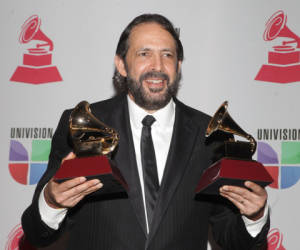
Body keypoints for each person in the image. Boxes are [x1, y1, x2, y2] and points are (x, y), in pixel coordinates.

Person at [22, 14, 270, 250]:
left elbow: (230, 237)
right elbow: (37, 234)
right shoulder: (81, 126)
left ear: (178, 65)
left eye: (167, 55)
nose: (157, 66)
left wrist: (254, 215)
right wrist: (52, 202)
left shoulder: (211, 135)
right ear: (121, 65)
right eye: (144, 54)